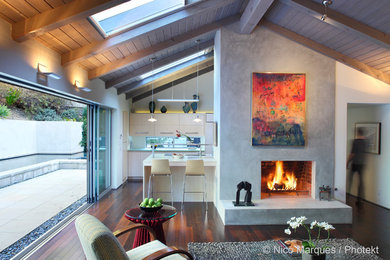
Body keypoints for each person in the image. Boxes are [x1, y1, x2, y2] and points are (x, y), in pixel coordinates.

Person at [346, 127, 367, 206]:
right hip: (362, 164)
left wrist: (347, 162)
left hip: (355, 163)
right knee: (361, 182)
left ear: (357, 133)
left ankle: (346, 198)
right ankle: (359, 200)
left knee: (350, 180)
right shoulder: (365, 142)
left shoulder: (355, 141)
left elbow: (352, 154)